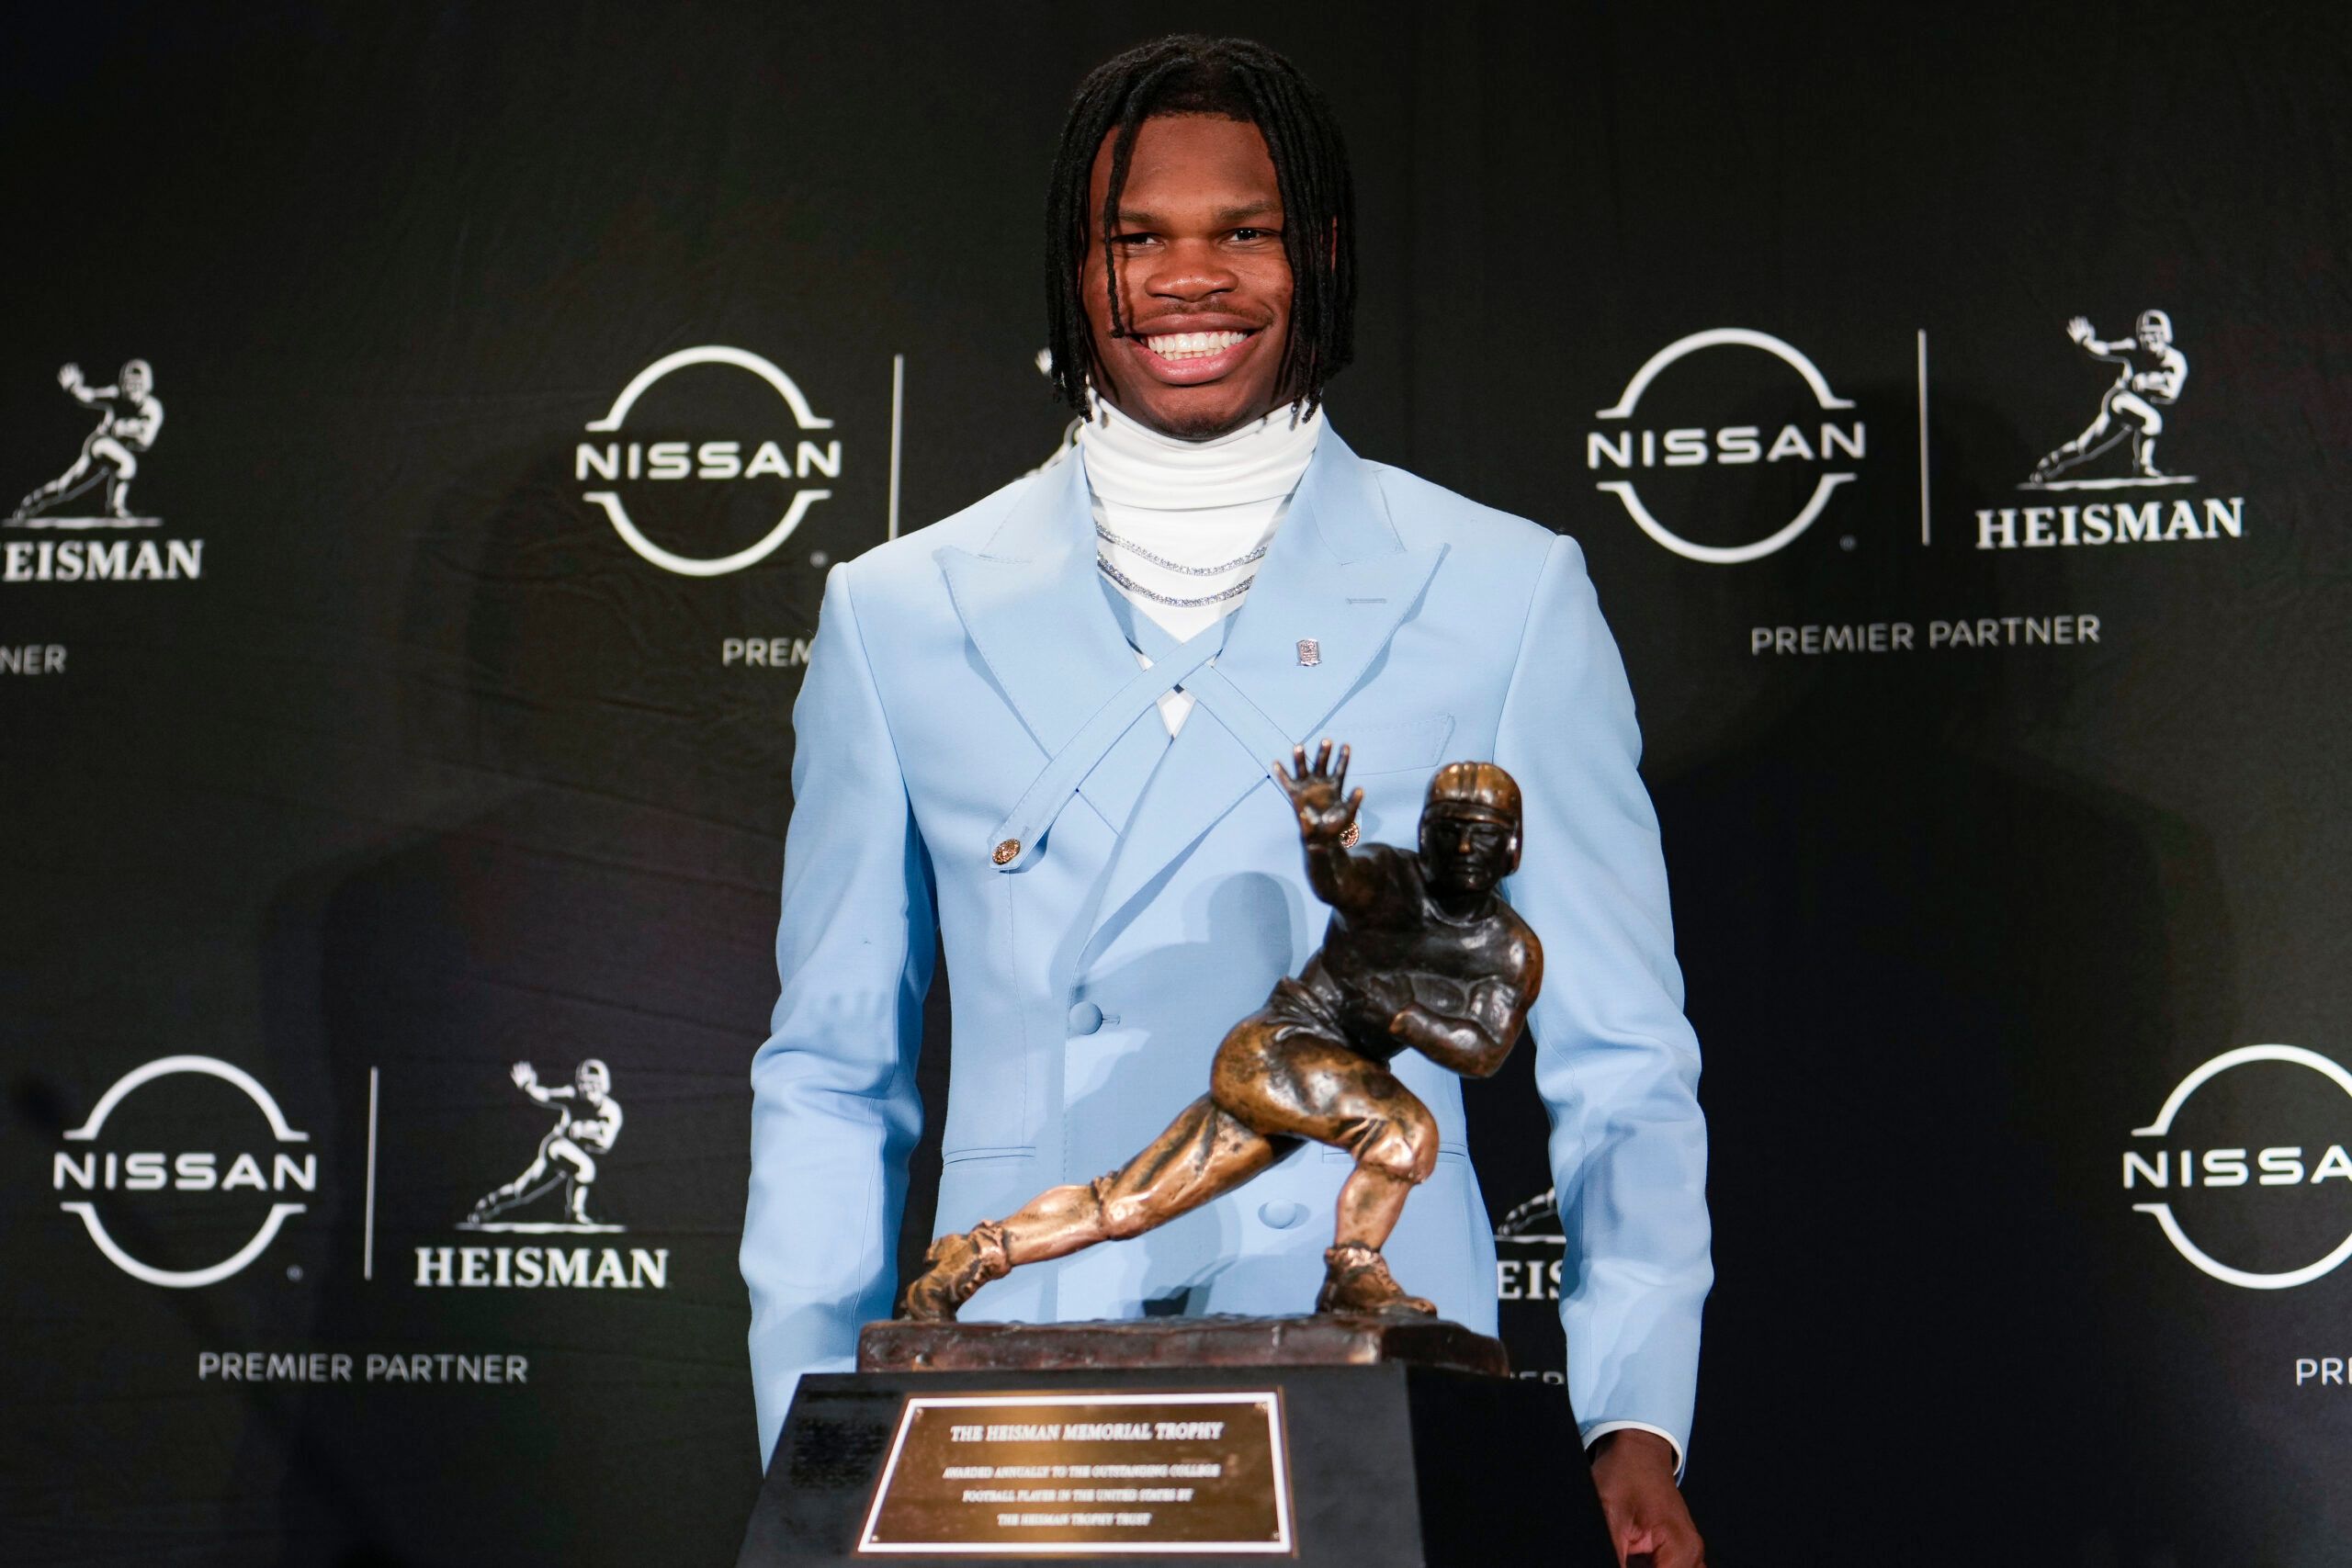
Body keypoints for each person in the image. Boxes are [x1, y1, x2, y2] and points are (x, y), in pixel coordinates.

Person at [742, 35, 1709, 1565]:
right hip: (1011, 1421)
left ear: (1317, 252)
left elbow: (1624, 1061)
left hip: (1376, 1415)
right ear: (1079, 263)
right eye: (1138, 236)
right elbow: (833, 1072)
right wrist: (809, 1430)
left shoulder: (1507, 593)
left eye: (1243, 230)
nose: (1191, 278)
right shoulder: (895, 612)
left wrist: (1632, 1414)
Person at [899, 746, 1544, 1322]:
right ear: (1425, 833)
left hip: (1315, 1079)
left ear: (1512, 847)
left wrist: (1401, 1014)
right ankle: (1351, 1271)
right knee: (1405, 1132)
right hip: (1276, 1049)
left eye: (1482, 836)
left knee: (1128, 1205)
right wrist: (1322, 841)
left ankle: (970, 1256)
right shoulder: (1391, 879)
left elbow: (1482, 1052)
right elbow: (1342, 881)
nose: (1464, 850)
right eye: (1451, 831)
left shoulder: (1507, 949)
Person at [2029, 310, 2188, 482]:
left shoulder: (2175, 361)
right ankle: (2143, 466)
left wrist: (2150, 383)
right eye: (2144, 334)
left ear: (2165, 334)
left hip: (2137, 406)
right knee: (2153, 420)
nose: (2148, 339)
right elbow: (2105, 349)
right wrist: (2085, 341)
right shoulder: (2133, 348)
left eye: (2154, 333)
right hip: (2120, 399)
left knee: (2085, 448)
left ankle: (2049, 463)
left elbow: (2171, 394)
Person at [467, 1060, 623, 1227]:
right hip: (557, 1146)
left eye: (593, 1082)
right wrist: (528, 1087)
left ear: (604, 1084)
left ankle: (489, 1203)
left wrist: (587, 1133)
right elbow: (546, 1095)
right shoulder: (573, 1095)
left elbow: (605, 1144)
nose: (588, 1087)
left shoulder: (611, 1111)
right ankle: (575, 1213)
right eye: (584, 1082)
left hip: (575, 1153)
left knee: (522, 1191)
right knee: (586, 1168)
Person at [12, 360, 163, 523]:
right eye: (128, 382)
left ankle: (32, 502)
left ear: (147, 384)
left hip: (115, 450)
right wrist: (73, 388)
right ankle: (114, 507)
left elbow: (146, 441)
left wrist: (128, 430)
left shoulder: (152, 409)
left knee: (66, 487)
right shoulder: (116, 394)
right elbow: (90, 395)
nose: (131, 387)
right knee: (126, 464)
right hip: (100, 444)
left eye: (136, 383)